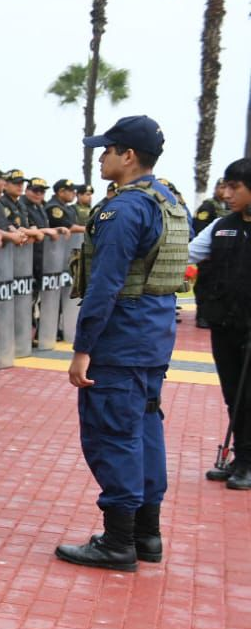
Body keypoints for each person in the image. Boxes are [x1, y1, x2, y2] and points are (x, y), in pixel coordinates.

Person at [56, 115, 187, 572]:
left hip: (122, 334)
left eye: (107, 150)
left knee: (113, 432)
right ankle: (146, 534)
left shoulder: (124, 209)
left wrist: (81, 348)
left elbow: (105, 285)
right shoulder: (169, 200)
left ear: (127, 156)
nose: (101, 157)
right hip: (154, 332)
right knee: (145, 427)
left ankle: (117, 542)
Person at [192, 157, 251, 488]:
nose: (227, 193)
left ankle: (247, 460)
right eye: (226, 186)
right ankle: (240, 457)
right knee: (234, 394)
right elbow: (189, 253)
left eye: (235, 187)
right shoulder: (222, 225)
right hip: (224, 325)